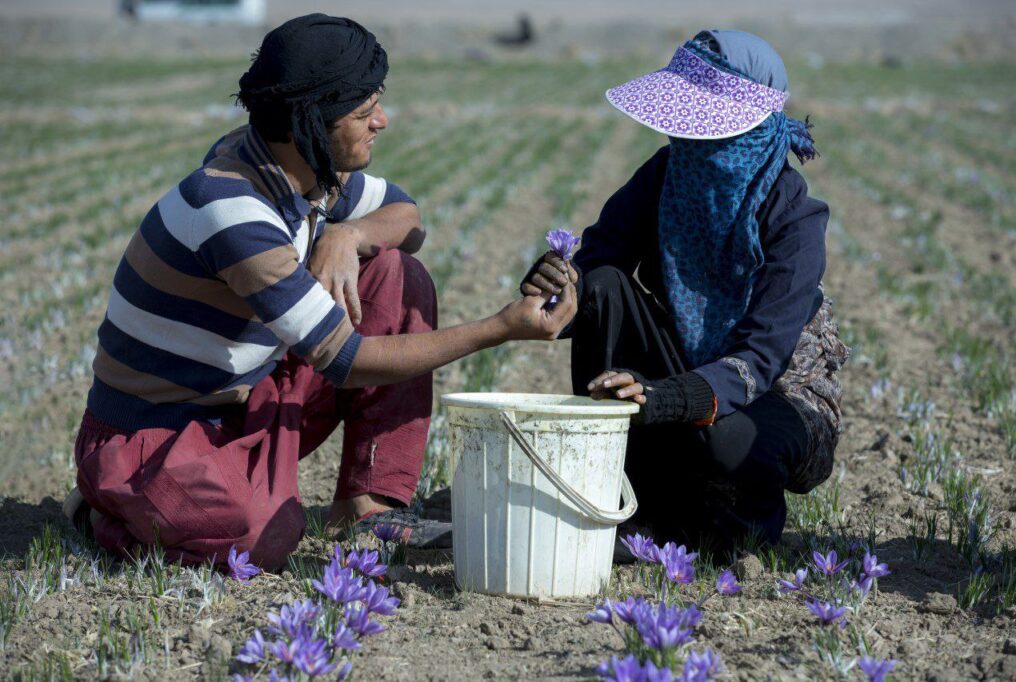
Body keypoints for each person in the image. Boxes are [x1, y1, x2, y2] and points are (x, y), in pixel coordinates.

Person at [64, 14, 577, 570]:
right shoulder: (231, 209)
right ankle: (105, 508)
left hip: (239, 404)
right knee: (258, 537)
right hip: (149, 435)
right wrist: (499, 329)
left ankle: (369, 507)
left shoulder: (298, 167)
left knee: (396, 274)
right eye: (363, 112)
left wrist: (347, 234)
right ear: (309, 122)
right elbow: (347, 362)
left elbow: (410, 219)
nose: (382, 121)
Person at [524, 30, 848, 556]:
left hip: (778, 393)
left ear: (747, 132)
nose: (691, 147)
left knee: (728, 444)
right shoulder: (664, 177)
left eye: (708, 133)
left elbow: (761, 357)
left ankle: (739, 532)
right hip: (679, 370)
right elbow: (598, 261)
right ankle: (616, 491)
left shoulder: (794, 215)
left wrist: (670, 397)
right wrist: (561, 282)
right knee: (603, 286)